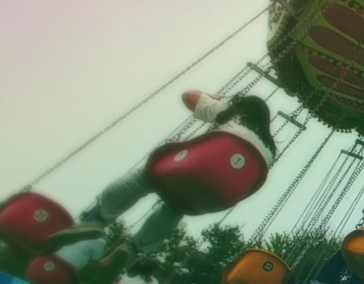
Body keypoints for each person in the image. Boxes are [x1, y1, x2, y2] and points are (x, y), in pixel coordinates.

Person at [51, 92, 276, 263]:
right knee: (177, 206)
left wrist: (217, 99)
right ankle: (133, 248)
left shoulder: (233, 114)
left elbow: (188, 96)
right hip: (222, 194)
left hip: (195, 167)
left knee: (144, 179)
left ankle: (98, 218)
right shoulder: (269, 150)